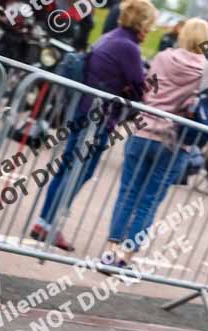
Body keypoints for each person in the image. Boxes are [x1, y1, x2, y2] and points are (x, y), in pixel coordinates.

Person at [30, 0, 157, 251]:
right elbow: (140, 88)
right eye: (150, 25)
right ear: (142, 24)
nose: (151, 30)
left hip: (82, 110)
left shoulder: (110, 36)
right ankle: (49, 225)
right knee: (79, 172)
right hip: (97, 119)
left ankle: (43, 222)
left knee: (67, 168)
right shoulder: (128, 47)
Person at [102, 18, 208, 268]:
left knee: (127, 192)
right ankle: (126, 256)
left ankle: (110, 251)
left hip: (143, 131)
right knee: (149, 200)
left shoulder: (164, 58)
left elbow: (146, 90)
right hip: (175, 143)